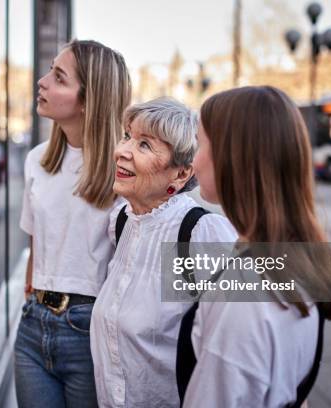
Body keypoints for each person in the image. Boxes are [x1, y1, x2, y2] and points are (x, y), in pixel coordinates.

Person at [181, 86, 331, 407]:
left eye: (199, 144)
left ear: (231, 158)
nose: (193, 161)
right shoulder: (302, 258)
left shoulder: (244, 293)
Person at [90, 97, 237, 407]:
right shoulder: (123, 222)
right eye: (128, 136)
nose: (122, 151)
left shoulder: (198, 234)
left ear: (180, 174)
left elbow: (240, 353)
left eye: (144, 145)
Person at [14, 40, 131, 408]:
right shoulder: (36, 161)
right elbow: (36, 244)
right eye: (50, 70)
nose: (43, 81)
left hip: (89, 332)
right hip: (33, 326)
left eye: (59, 78)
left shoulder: (124, 170)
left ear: (87, 100)